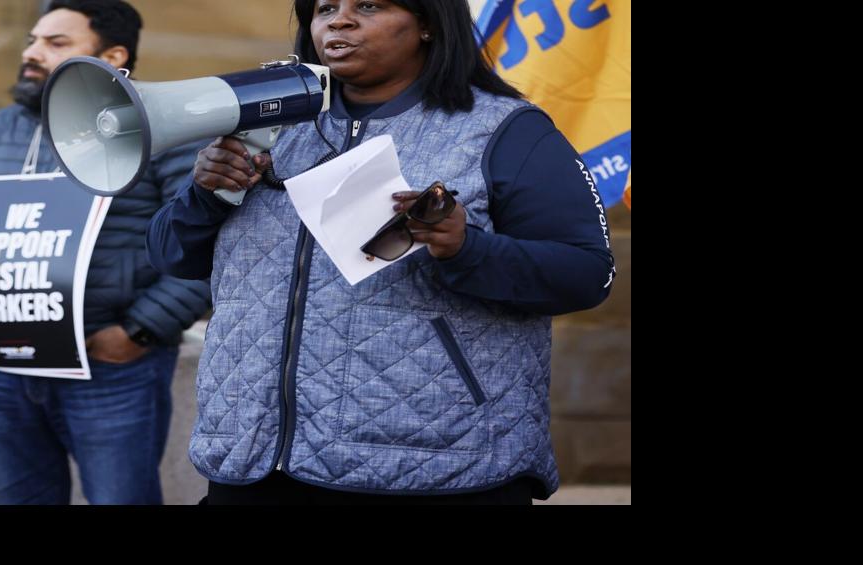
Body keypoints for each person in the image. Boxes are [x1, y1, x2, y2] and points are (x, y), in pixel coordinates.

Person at [149, 0, 615, 505]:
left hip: (438, 466)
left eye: (368, 6)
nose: (339, 20)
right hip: (254, 464)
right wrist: (206, 194)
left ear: (427, 25)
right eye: (325, 8)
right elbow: (173, 257)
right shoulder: (269, 125)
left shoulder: (506, 130)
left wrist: (466, 248)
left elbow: (587, 274)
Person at [0, 0, 210, 505]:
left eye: (56, 44)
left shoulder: (163, 129)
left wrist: (140, 331)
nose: (32, 53)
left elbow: (205, 242)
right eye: (32, 40)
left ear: (111, 55)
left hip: (110, 367)